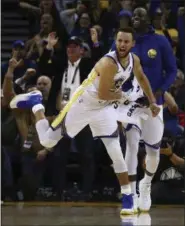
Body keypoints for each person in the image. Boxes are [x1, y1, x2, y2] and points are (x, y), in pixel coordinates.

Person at [9, 27, 160, 215]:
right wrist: (129, 98)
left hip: (103, 108)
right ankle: (36, 103)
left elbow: (142, 77)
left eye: (126, 42)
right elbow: (105, 92)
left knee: (115, 150)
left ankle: (128, 196)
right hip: (83, 104)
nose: (122, 45)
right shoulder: (108, 63)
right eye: (119, 41)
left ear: (132, 44)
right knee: (48, 141)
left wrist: (152, 101)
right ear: (116, 41)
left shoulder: (134, 60)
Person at [119, 7, 177, 212]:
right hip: (131, 104)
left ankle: (146, 185)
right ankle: (132, 193)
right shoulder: (126, 42)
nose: (135, 18)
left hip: (154, 104)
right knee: (132, 144)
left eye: (140, 16)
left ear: (148, 19)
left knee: (153, 151)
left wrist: (161, 90)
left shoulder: (160, 42)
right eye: (133, 15)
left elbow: (171, 70)